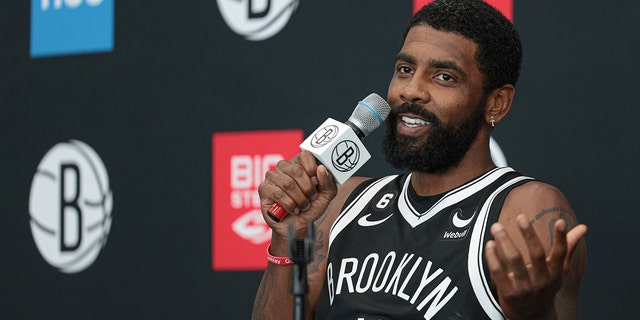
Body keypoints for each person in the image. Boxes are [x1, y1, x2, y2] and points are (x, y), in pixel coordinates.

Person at [252, 0, 587, 319]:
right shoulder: (341, 201)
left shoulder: (523, 209)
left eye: (444, 77)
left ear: (496, 102)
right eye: (405, 69)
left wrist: (534, 314)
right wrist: (286, 240)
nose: (411, 90)